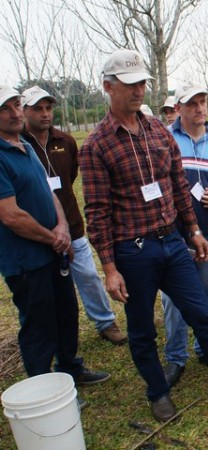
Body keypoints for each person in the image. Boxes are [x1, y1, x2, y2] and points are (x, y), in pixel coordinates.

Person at [79, 49, 208, 422]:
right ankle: (158, 392)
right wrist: (110, 267)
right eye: (129, 85)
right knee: (142, 327)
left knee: (203, 315)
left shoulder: (158, 132)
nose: (138, 90)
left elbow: (178, 185)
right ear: (107, 87)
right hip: (133, 250)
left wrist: (193, 231)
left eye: (142, 83)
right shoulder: (97, 145)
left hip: (173, 242)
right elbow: (96, 212)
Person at [0, 85, 110, 401]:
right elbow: (10, 215)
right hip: (26, 259)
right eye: (5, 108)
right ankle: (44, 390)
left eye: (16, 105)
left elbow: (51, 193)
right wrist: (52, 236)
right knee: (38, 323)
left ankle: (71, 368)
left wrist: (61, 226)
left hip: (54, 250)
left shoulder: (23, 144)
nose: (14, 113)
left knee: (65, 312)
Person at [20, 85, 127, 346]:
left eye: (48, 108)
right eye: (37, 109)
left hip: (73, 226)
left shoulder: (66, 141)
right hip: (37, 232)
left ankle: (105, 321)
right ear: (23, 112)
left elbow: (70, 178)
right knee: (50, 288)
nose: (45, 114)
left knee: (88, 276)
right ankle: (55, 336)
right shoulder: (18, 144)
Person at [160, 81, 208, 387]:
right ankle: (176, 356)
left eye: (203, 102)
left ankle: (204, 347)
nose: (200, 108)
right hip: (174, 235)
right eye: (192, 103)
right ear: (178, 108)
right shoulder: (164, 139)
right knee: (173, 300)